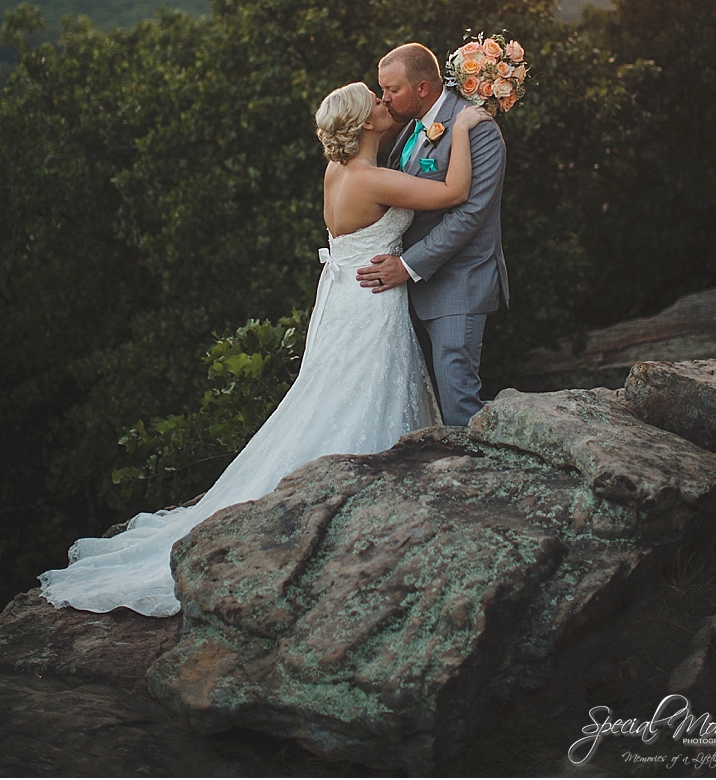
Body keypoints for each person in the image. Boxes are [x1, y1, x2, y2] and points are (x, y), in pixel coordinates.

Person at [39, 82, 491, 617]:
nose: (382, 102)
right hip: (369, 304)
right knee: (358, 394)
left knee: (339, 393)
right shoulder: (370, 178)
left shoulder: (342, 170)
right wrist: (462, 128)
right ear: (365, 123)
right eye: (374, 99)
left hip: (351, 295)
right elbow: (455, 192)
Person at [356, 43, 509, 426]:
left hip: (459, 284)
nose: (385, 99)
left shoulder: (479, 129)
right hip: (409, 290)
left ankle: (474, 481)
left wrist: (408, 265)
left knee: (458, 402)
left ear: (423, 88)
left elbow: (471, 213)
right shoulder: (412, 122)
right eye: (382, 90)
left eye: (393, 90)